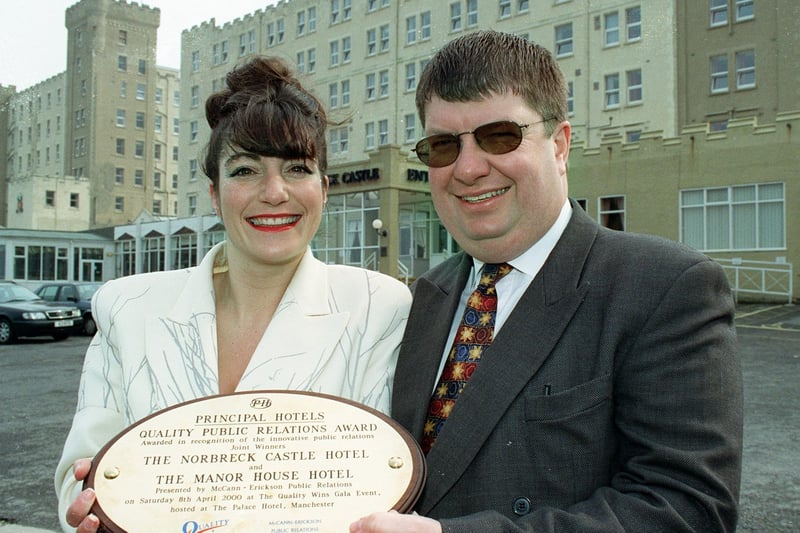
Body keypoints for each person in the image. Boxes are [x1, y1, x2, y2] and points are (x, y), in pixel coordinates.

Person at [351, 30, 743, 532]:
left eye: (500, 137)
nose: (468, 168)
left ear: (559, 145)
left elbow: (687, 511)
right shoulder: (427, 295)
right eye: (443, 146)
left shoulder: (664, 288)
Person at [55, 56, 411, 532]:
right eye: (245, 171)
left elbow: (382, 476)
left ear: (324, 190)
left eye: (297, 169)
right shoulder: (127, 308)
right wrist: (85, 509)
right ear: (214, 193)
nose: (274, 192)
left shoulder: (378, 305)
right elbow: (82, 471)